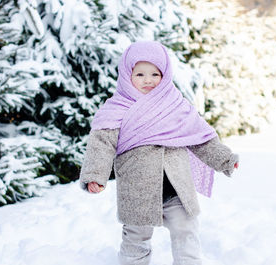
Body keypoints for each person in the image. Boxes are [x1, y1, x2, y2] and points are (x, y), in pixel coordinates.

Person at [79, 41, 239, 265]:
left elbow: (199, 137)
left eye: (155, 74)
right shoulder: (116, 109)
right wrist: (95, 175)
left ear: (165, 75)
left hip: (176, 188)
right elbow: (102, 143)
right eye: (140, 74)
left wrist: (224, 159)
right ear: (127, 75)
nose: (148, 80)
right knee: (136, 238)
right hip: (137, 190)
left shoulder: (175, 105)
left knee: (187, 231)